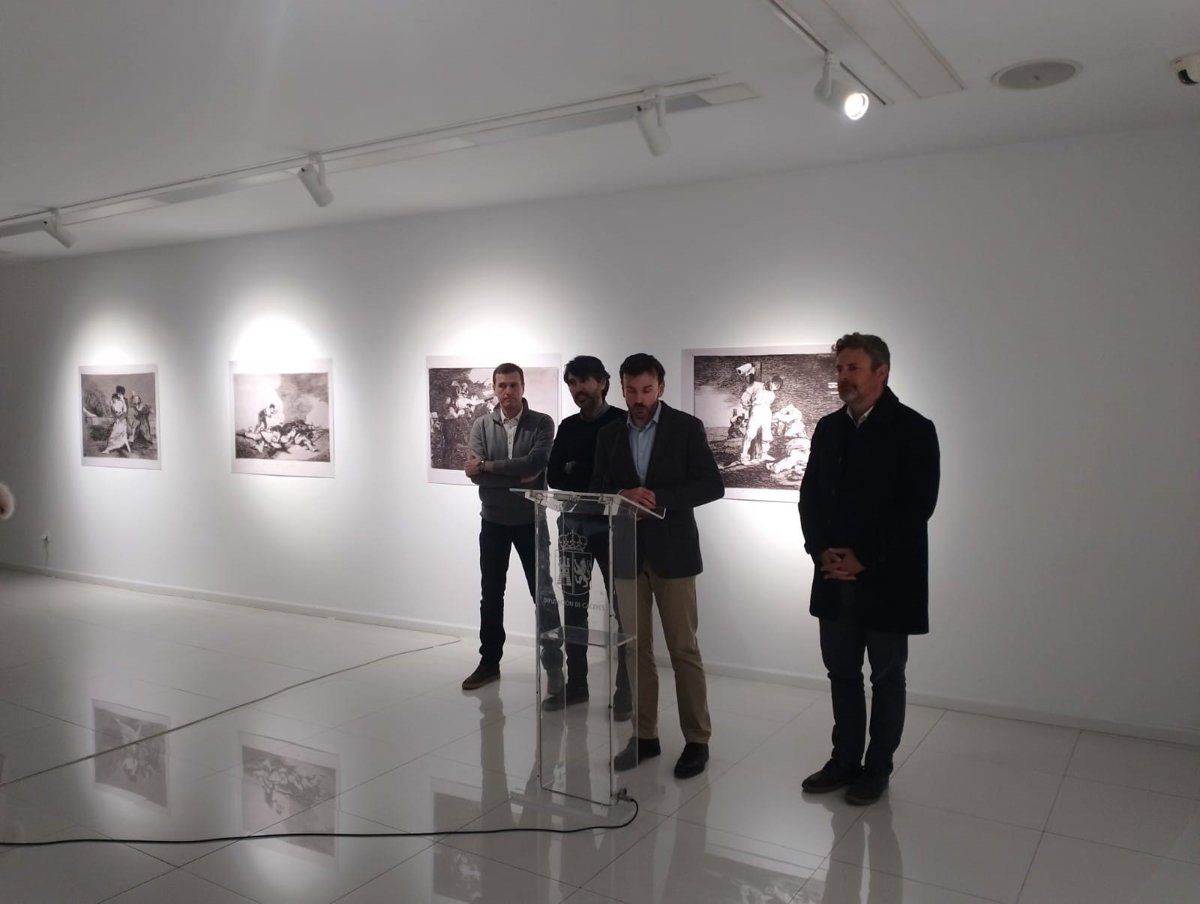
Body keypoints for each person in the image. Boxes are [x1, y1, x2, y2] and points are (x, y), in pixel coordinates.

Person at [799, 333, 940, 805]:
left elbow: (916, 507)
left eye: (853, 368)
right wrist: (819, 551)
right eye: (839, 368)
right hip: (832, 575)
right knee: (841, 672)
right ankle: (844, 760)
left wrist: (863, 556)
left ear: (882, 371)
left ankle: (877, 767)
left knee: (886, 676)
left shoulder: (914, 429)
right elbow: (809, 498)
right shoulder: (828, 429)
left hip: (888, 578)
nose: (843, 377)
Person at [591, 353, 724, 779]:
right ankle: (644, 735)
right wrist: (621, 494)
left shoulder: (686, 428)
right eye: (631, 391)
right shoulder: (610, 434)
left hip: (675, 555)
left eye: (647, 390)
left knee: (683, 649)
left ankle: (697, 740)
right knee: (635, 648)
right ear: (621, 389)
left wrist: (657, 498)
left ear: (661, 388)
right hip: (627, 553)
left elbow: (712, 485)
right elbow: (597, 488)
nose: (639, 399)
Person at [461, 363, 563, 693]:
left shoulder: (542, 423)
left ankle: (554, 666)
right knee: (491, 594)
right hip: (492, 521)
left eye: (513, 385)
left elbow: (534, 463)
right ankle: (489, 663)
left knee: (543, 594)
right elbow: (474, 475)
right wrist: (514, 474)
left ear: (523, 387)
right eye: (502, 385)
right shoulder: (481, 424)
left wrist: (487, 466)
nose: (507, 391)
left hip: (531, 521)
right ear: (494, 388)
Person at [544, 355, 631, 717]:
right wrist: (589, 471)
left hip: (615, 529)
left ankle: (625, 691)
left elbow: (620, 477)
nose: (577, 389)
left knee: (623, 611)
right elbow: (554, 477)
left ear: (603, 382)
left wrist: (576, 468)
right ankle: (577, 685)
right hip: (574, 528)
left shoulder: (622, 423)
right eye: (572, 382)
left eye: (584, 381)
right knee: (575, 608)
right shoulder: (567, 426)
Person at [739, 367, 776, 463]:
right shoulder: (756, 385)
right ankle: (744, 456)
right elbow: (746, 395)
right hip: (756, 411)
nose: (774, 387)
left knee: (767, 434)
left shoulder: (772, 394)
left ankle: (764, 454)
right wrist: (745, 403)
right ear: (770, 381)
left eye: (777, 387)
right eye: (774, 384)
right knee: (750, 434)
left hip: (766, 412)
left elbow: (769, 403)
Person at [102, 386, 132, 454]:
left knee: (116, 434)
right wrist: (116, 418)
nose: (119, 395)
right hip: (117, 420)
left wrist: (120, 419)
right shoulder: (114, 399)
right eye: (118, 393)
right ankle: (126, 447)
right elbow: (113, 412)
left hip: (123, 420)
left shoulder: (125, 400)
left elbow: (126, 412)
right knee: (118, 434)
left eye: (120, 393)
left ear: (123, 393)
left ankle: (109, 449)